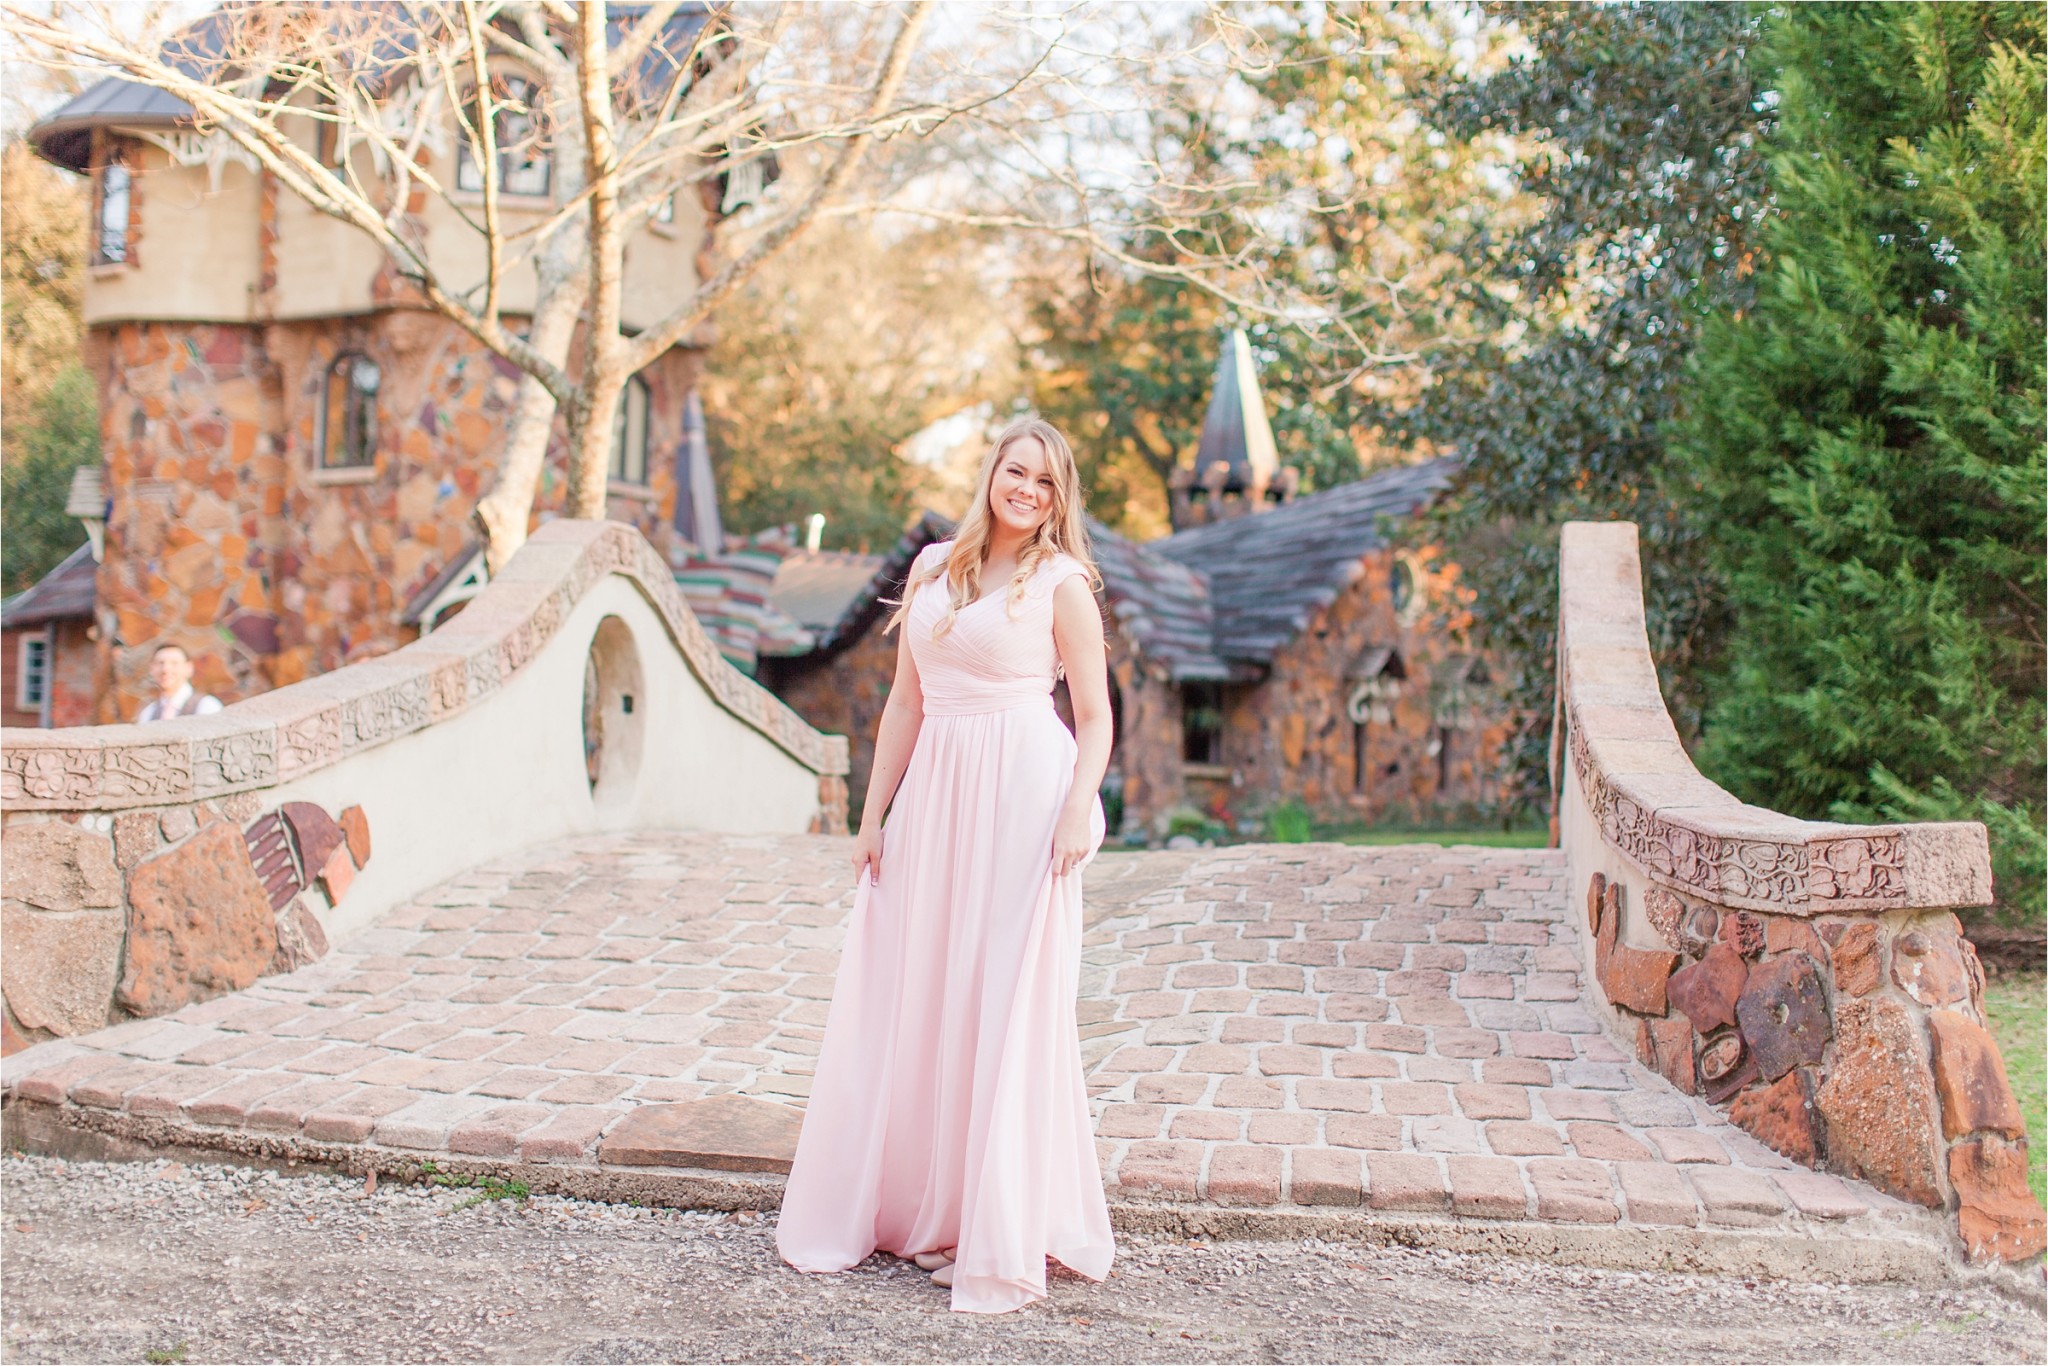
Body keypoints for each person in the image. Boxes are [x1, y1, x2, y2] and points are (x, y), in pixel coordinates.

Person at [775, 416, 1117, 1314]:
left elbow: (1096, 714)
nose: (1027, 492)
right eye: (1016, 472)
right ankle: (935, 1207)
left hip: (1024, 800)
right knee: (928, 995)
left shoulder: (1062, 584)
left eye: (1045, 483)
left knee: (1000, 1000)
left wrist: (1079, 804)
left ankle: (990, 1224)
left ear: (1059, 497)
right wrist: (873, 813)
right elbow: (903, 705)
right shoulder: (932, 567)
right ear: (992, 473)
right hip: (937, 798)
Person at [135, 644, 224, 722]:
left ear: (189, 668)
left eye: (174, 663)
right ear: (152, 669)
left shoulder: (207, 706)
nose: (166, 669)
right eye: (160, 663)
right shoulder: (148, 713)